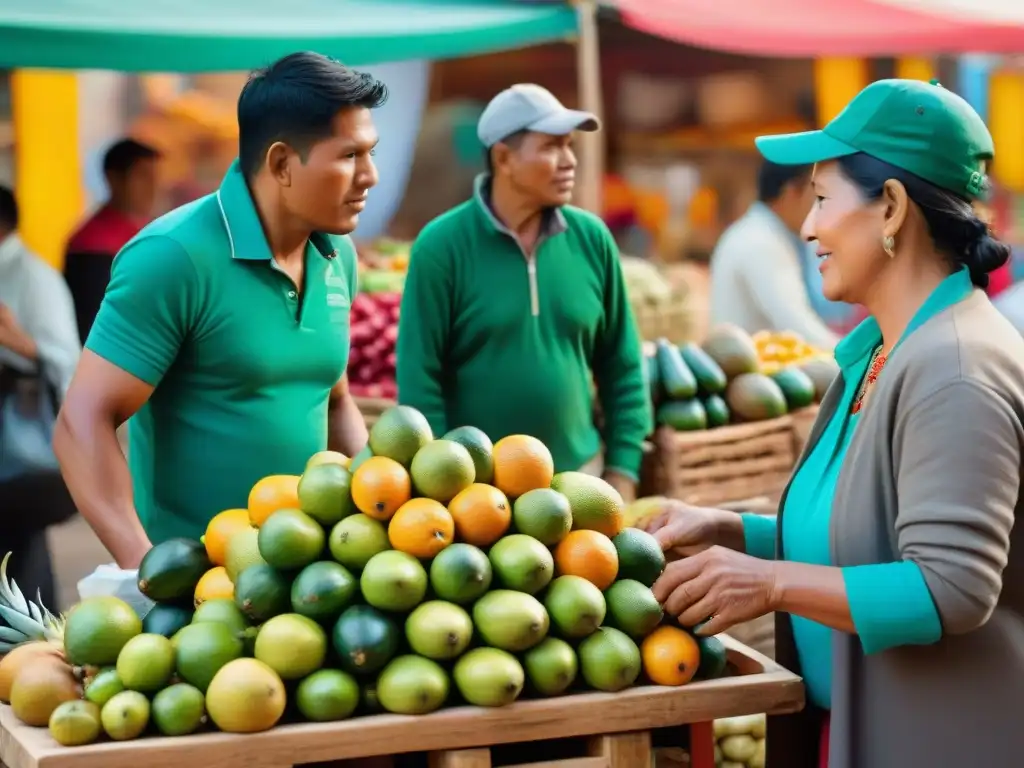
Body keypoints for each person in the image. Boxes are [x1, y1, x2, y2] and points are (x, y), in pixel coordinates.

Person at [642, 79, 1024, 768]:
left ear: (892, 208)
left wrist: (772, 583)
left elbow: (951, 587)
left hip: (938, 740)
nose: (808, 227)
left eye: (822, 199)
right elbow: (863, 533)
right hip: (854, 726)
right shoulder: (883, 352)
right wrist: (732, 529)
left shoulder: (956, 367)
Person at [54, 52, 385, 567]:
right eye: (349, 156)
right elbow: (81, 422)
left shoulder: (336, 254)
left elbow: (333, 397)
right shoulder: (172, 257)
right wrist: (143, 565)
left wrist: (379, 516)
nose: (371, 176)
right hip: (204, 588)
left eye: (372, 153)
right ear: (281, 163)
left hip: (314, 578)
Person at [396, 84, 650, 502]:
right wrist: (444, 487)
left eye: (569, 146)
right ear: (503, 158)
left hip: (581, 484)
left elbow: (622, 367)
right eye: (551, 147)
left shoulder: (593, 240)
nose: (570, 161)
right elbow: (419, 382)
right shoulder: (440, 247)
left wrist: (622, 471)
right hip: (477, 496)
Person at [0, 186, 81, 610]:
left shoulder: (32, 276)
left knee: (21, 548)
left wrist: (18, 342)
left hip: (22, 443)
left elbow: (67, 360)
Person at [709, 160, 840, 350]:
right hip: (751, 371)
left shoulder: (766, 234)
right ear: (792, 192)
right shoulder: (760, 242)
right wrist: (862, 361)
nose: (821, 208)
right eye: (818, 196)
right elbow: (799, 328)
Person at [64, 138, 161, 344]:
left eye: (156, 177)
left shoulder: (155, 231)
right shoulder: (91, 245)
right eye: (143, 176)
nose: (153, 187)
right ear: (113, 178)